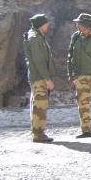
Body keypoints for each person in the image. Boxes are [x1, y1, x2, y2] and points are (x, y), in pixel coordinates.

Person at [23, 14, 56, 143]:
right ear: (41, 25)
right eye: (46, 23)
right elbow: (39, 60)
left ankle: (37, 132)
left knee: (37, 104)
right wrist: (47, 79)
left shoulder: (36, 36)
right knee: (40, 105)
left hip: (37, 76)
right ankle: (38, 134)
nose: (48, 25)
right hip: (39, 77)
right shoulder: (35, 38)